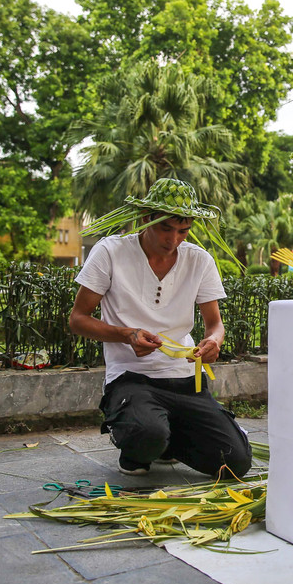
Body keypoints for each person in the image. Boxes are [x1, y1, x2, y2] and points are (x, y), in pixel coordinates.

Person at [69, 178, 251, 478]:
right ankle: (140, 443)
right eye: (165, 228)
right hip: (131, 378)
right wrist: (126, 335)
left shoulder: (199, 260)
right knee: (146, 433)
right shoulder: (110, 252)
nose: (173, 239)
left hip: (185, 380)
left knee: (236, 462)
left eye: (183, 231)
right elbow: (78, 319)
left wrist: (213, 341)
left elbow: (214, 324)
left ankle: (164, 440)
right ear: (145, 218)